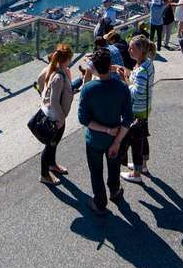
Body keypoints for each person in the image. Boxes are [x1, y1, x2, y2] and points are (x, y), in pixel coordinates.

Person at [77, 49, 132, 216]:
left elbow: (84, 120)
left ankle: (100, 202)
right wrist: (116, 140)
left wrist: (105, 129)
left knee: (96, 171)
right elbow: (128, 118)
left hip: (94, 139)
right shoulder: (122, 87)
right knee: (113, 166)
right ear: (111, 65)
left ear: (94, 67)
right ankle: (115, 191)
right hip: (115, 138)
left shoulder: (88, 89)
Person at [117, 36, 156, 184]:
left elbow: (137, 92)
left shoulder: (141, 70)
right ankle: (143, 166)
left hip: (137, 109)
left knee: (136, 142)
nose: (128, 50)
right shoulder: (147, 64)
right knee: (142, 136)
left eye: (132, 48)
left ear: (140, 50)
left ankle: (136, 173)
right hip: (144, 107)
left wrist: (124, 81)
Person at [38, 44, 74, 185]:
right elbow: (53, 101)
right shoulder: (58, 76)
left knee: (53, 144)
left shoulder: (55, 70)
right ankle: (44, 175)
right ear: (68, 59)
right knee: (49, 145)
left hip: (55, 115)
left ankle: (52, 165)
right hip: (56, 118)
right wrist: (60, 119)